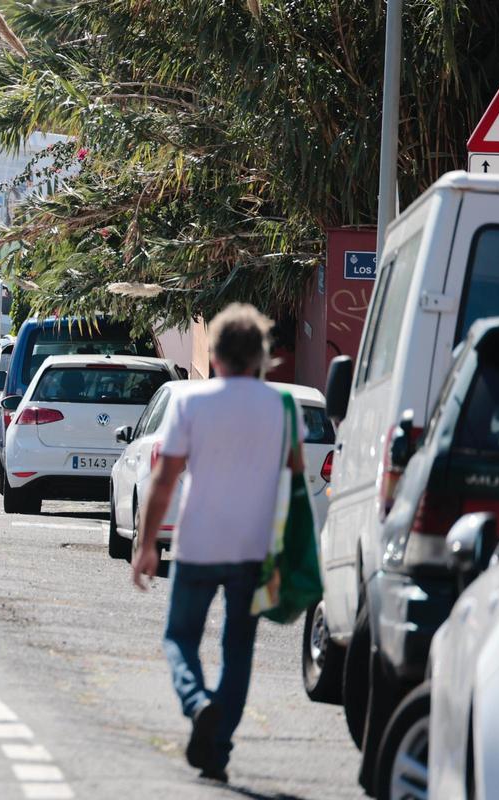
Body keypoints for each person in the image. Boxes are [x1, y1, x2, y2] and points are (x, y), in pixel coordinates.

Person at [132, 303, 303, 783]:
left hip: (198, 544)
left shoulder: (192, 403)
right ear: (261, 356)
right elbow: (294, 476)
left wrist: (146, 544)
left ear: (214, 354)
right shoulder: (283, 407)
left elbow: (164, 480)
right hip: (253, 548)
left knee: (179, 637)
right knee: (238, 650)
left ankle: (197, 703)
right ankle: (217, 747)